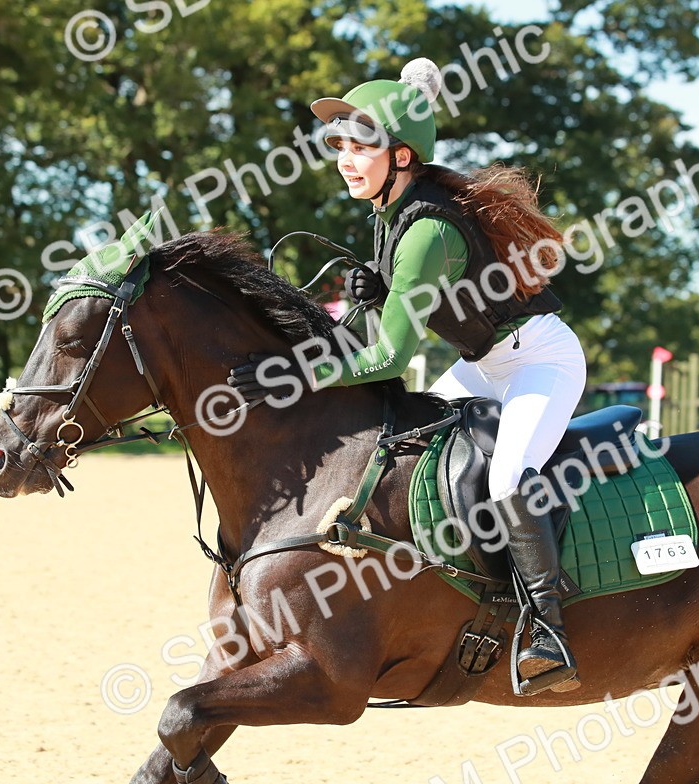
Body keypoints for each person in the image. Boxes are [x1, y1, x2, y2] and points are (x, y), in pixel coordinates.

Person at [229, 59, 587, 695]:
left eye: (360, 145)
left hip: (539, 361)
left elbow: (389, 360)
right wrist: (377, 290)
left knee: (507, 475)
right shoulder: (391, 212)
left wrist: (296, 372)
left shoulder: (424, 231)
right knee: (402, 447)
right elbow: (380, 331)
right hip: (483, 365)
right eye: (338, 144)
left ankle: (545, 627)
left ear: (399, 156)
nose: (345, 158)